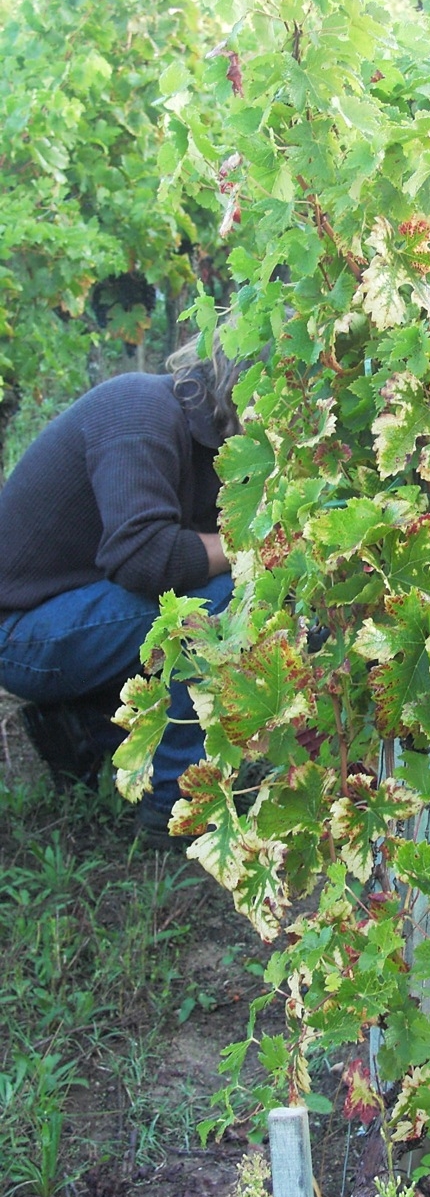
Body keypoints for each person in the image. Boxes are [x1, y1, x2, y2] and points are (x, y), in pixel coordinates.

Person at [0, 330, 246, 844]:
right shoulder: (138, 410)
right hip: (19, 634)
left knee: (223, 587)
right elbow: (145, 557)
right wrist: (256, 545)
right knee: (216, 602)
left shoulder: (214, 445)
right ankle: (175, 806)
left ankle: (85, 728)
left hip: (71, 613)